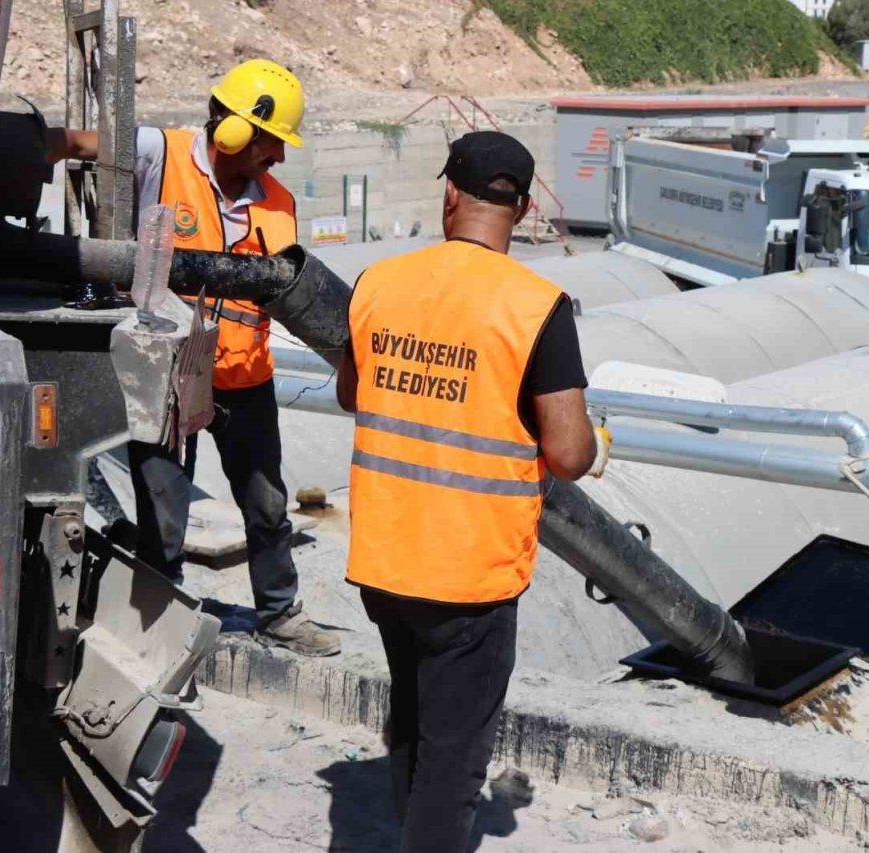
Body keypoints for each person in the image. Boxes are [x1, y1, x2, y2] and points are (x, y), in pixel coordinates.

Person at [336, 131, 609, 852]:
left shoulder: (376, 284)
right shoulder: (537, 306)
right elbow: (569, 451)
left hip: (385, 563)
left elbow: (349, 391)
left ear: (449, 192)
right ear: (519, 209)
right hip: (470, 579)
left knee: (415, 718)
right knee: (454, 768)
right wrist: (599, 441)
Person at [47, 59, 340, 656]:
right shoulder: (161, 153)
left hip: (245, 376)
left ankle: (280, 613)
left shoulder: (278, 202)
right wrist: (32, 150)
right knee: (163, 509)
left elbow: (285, 288)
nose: (278, 159)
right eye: (271, 143)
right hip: (167, 375)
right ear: (236, 130)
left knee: (267, 503)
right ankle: (159, 627)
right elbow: (76, 144)